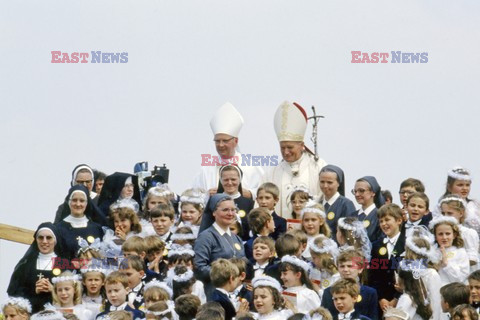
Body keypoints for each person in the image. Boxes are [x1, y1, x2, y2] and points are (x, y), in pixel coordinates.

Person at [262, 101, 327, 218]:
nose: (286, 152)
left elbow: (326, 198)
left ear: (302, 145)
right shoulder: (273, 172)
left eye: (290, 147)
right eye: (282, 147)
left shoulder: (318, 166)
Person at [192, 102, 264, 198]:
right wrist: (207, 195)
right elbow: (192, 195)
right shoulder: (206, 169)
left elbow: (265, 192)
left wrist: (249, 193)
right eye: (217, 141)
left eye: (225, 141)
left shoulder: (251, 166)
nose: (221, 145)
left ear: (236, 141)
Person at [193, 194, 246, 299]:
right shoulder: (206, 237)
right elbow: (199, 268)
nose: (230, 213)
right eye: (225, 210)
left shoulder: (236, 238)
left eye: (233, 210)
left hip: (236, 293)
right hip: (214, 293)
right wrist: (226, 274)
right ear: (214, 212)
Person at [7, 222, 68, 313]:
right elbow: (13, 293)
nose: (44, 241)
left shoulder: (64, 264)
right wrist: (34, 291)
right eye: (40, 237)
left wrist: (54, 290)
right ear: (36, 240)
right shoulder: (26, 264)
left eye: (49, 238)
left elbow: (74, 293)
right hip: (31, 314)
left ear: (55, 240)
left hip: (58, 313)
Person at [321, 248, 378, 320]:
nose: (345, 270)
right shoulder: (328, 292)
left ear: (360, 269)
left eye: (350, 266)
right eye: (342, 266)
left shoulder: (369, 293)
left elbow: (373, 317)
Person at [368, 204, 405, 313]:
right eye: (381, 221)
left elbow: (412, 275)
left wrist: (396, 298)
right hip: (382, 302)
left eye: (387, 220)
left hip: (402, 299)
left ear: (399, 220)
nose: (384, 224)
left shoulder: (407, 244)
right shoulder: (376, 245)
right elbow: (373, 275)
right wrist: (381, 298)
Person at [55, 185, 105, 258]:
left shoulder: (97, 228)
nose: (78, 204)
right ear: (69, 202)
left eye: (82, 201)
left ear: (86, 203)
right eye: (74, 200)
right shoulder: (58, 229)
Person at [218, 165, 255, 240]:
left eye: (233, 179)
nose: (230, 183)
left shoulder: (250, 203)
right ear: (221, 181)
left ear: (240, 180)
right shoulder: (214, 201)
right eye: (226, 180)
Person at [429, 216, 469, 285]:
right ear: (435, 236)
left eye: (448, 234)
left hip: (452, 291)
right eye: (440, 234)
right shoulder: (432, 252)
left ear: (454, 235)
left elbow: (461, 278)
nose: (444, 237)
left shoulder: (460, 252)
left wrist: (446, 263)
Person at [319, 165, 356, 238]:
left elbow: (349, 234)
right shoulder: (316, 204)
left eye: (329, 182)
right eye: (322, 182)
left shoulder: (346, 205)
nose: (325, 186)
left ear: (338, 183)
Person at [352, 176, 385, 243]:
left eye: (361, 191)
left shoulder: (380, 216)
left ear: (373, 192)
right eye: (355, 191)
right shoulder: (351, 216)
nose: (357, 194)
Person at [308, 235, 340, 301]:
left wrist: (317, 289)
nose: (312, 260)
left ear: (322, 257)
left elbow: (331, 298)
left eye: (314, 257)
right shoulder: (316, 270)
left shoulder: (337, 276)